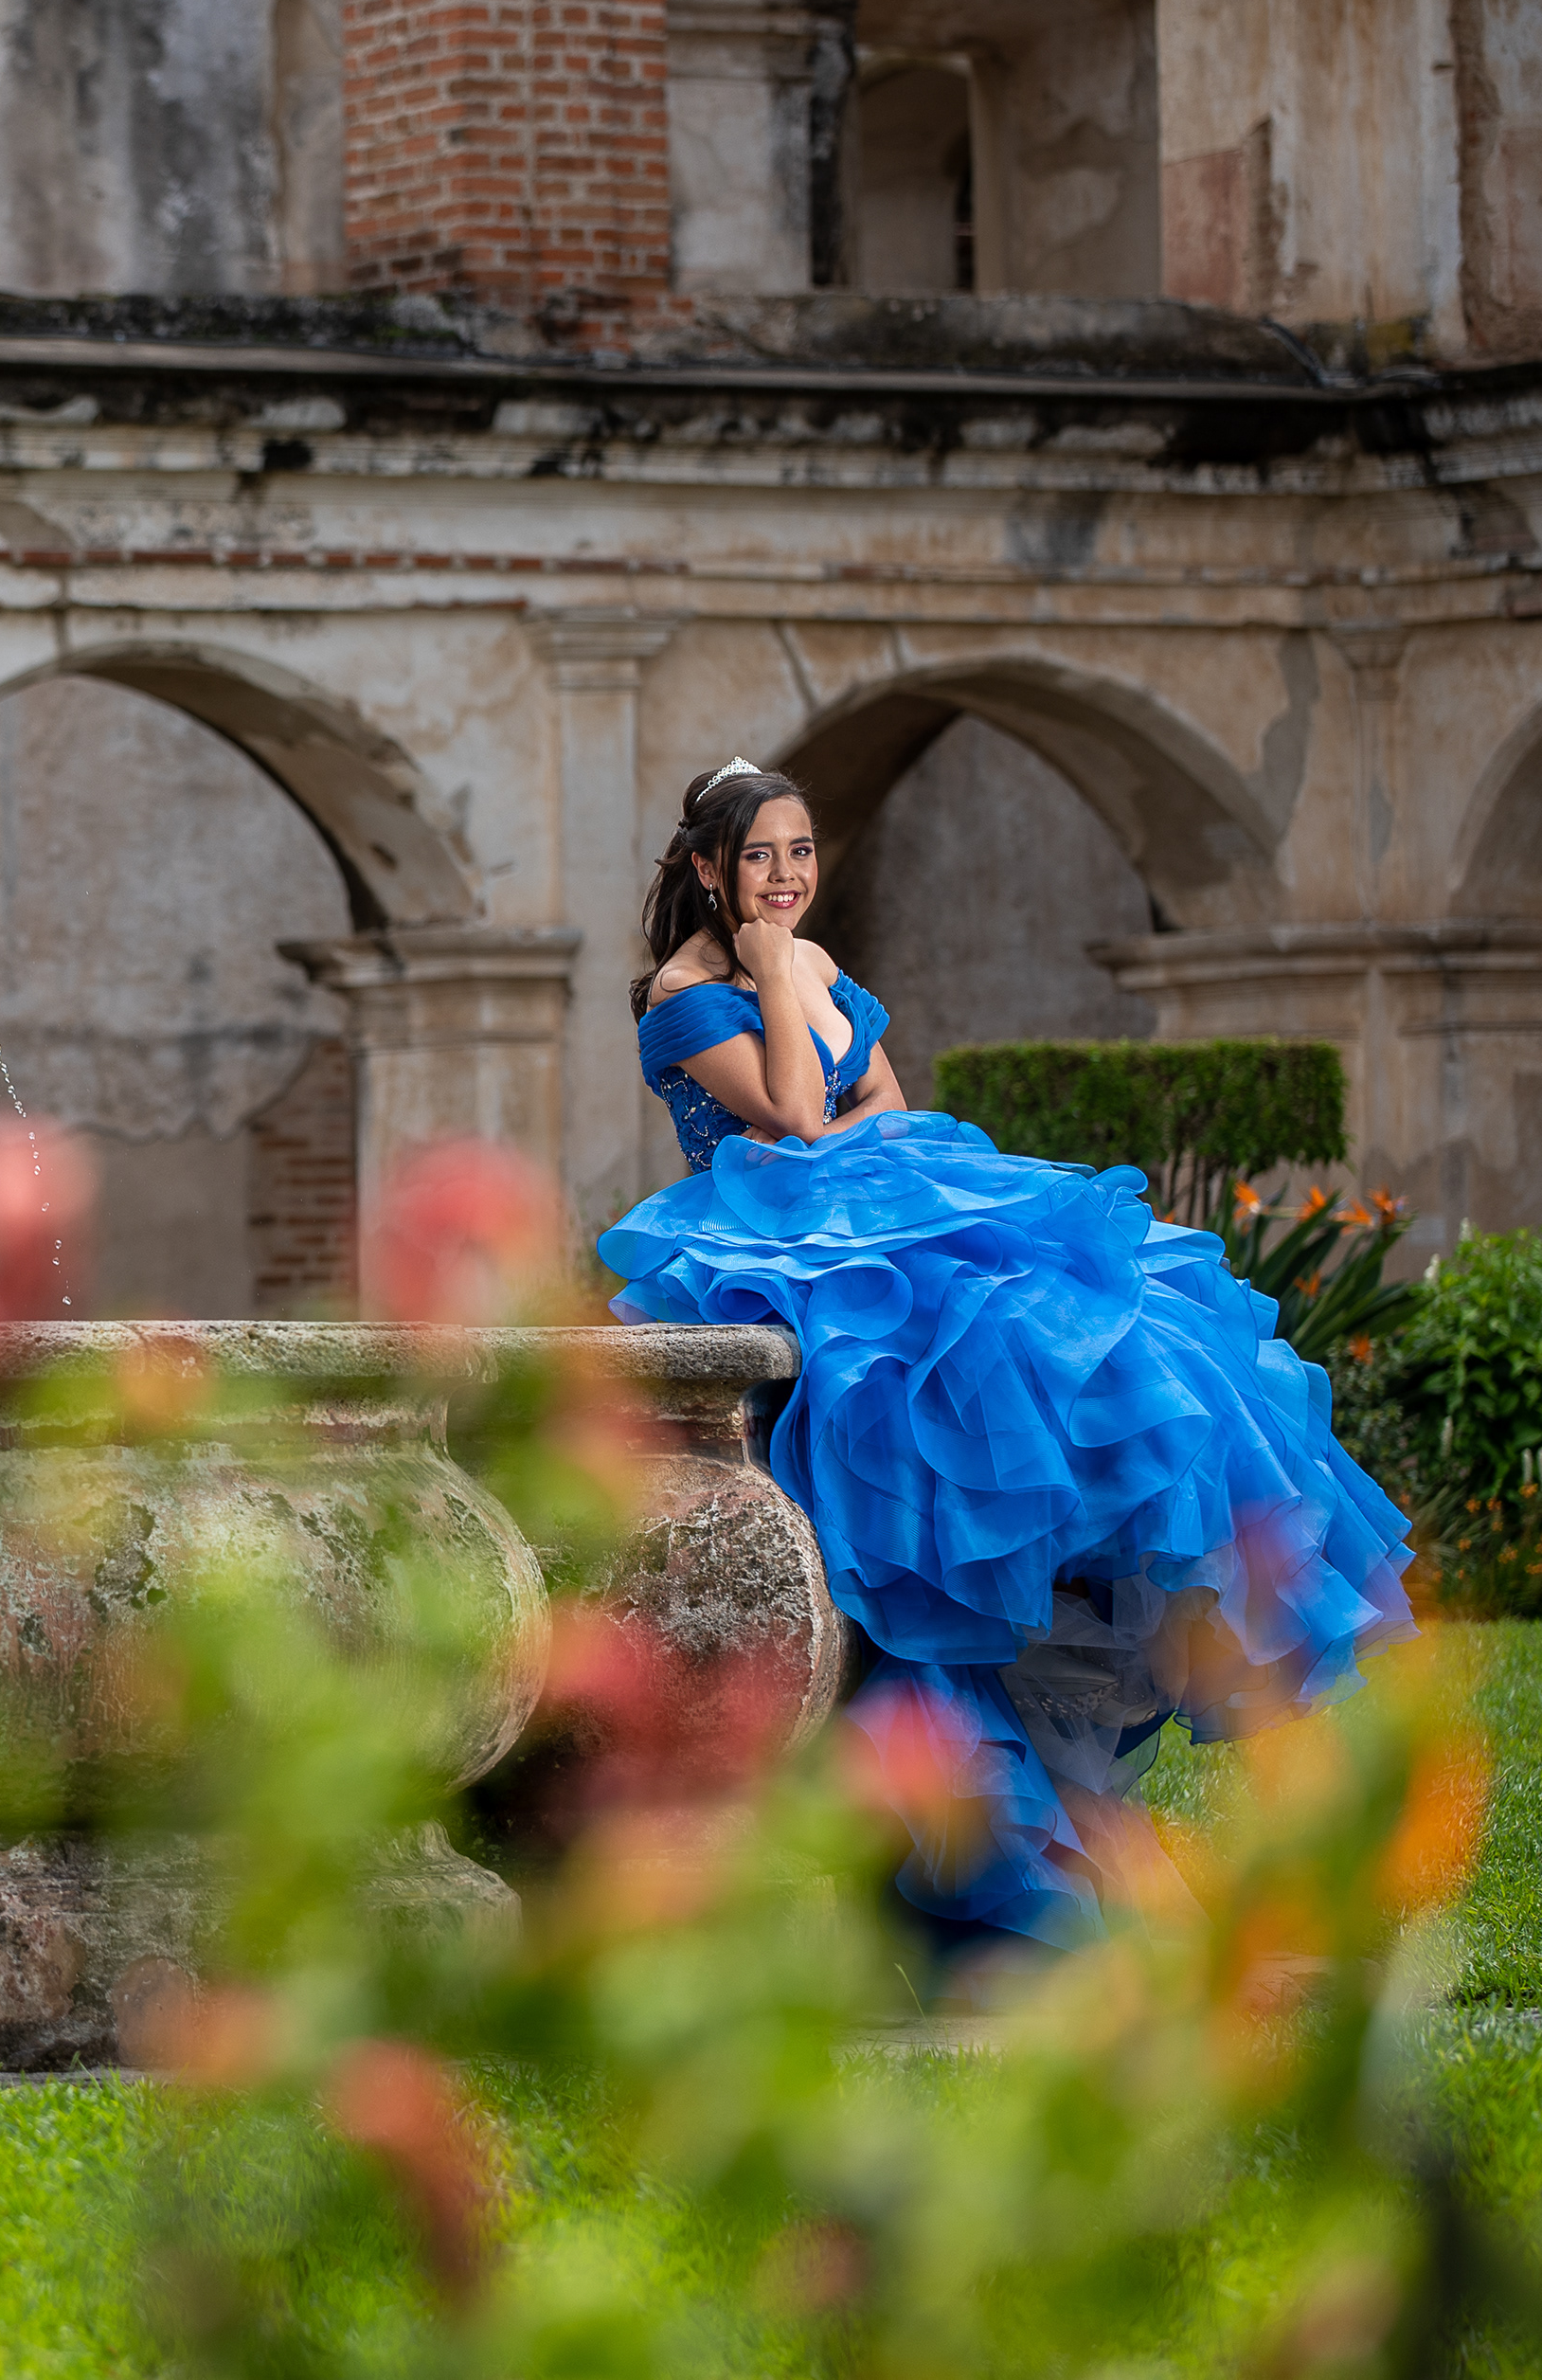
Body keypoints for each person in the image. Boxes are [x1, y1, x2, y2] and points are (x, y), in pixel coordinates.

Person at [598, 759, 1416, 1951]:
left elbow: (881, 1099)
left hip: (868, 1204)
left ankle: (1137, 1558)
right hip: (764, 1231)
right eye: (761, 857)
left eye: (803, 852)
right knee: (922, 1371)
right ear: (709, 869)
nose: (788, 879)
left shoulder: (817, 965)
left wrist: (806, 999)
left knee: (1125, 1314)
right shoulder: (684, 992)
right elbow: (797, 1113)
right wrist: (776, 975)